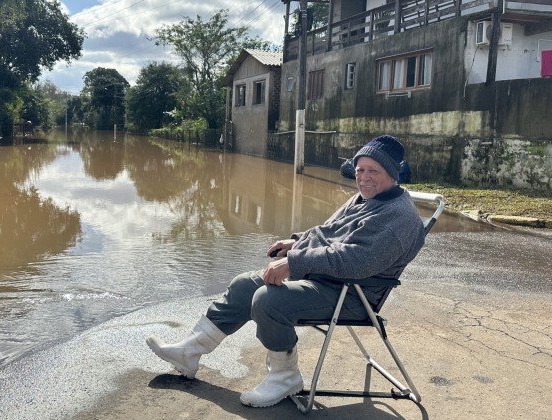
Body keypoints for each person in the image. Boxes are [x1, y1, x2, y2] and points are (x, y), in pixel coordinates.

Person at [146, 135, 425, 408]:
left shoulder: (399, 217)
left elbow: (356, 261)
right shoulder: (365, 198)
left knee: (267, 300)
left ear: (392, 175)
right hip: (328, 279)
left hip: (352, 295)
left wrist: (294, 262)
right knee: (245, 284)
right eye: (360, 169)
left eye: (373, 171)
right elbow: (328, 233)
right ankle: (189, 352)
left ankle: (285, 377)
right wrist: (296, 242)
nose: (363, 177)